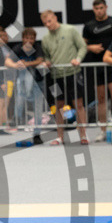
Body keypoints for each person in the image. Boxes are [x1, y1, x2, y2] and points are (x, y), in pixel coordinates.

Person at [40, 10, 89, 145]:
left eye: (49, 21)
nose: (48, 25)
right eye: (45, 23)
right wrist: (47, 62)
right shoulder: (45, 39)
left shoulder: (70, 30)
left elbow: (83, 47)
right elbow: (47, 56)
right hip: (56, 76)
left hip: (73, 73)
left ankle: (83, 135)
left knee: (78, 104)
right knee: (59, 106)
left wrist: (78, 59)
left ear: (55, 18)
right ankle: (60, 137)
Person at [81, 0, 112, 139]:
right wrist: (90, 47)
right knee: (101, 99)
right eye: (96, 8)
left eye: (101, 8)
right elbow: (81, 46)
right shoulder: (89, 26)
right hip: (97, 67)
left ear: (106, 7)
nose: (99, 10)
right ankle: (103, 131)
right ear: (93, 10)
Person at [9, 28, 46, 145]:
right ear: (23, 38)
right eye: (27, 38)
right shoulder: (18, 48)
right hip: (23, 83)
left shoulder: (37, 47)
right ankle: (16, 123)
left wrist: (27, 64)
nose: (29, 41)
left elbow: (40, 60)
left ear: (34, 39)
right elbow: (7, 61)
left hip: (38, 83)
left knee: (38, 109)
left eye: (32, 38)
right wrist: (16, 64)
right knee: (19, 102)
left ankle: (37, 134)